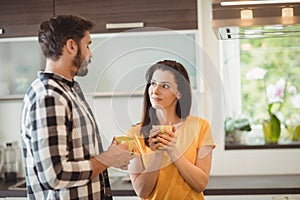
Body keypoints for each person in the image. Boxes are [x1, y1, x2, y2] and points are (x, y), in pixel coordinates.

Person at [20, 15, 134, 200]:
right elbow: (55, 175)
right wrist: (107, 159)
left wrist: (111, 156)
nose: (91, 53)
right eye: (88, 45)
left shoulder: (68, 90)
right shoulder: (49, 96)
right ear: (71, 46)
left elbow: (78, 156)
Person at [126, 60, 215, 199]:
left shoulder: (201, 127)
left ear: (179, 93)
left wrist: (173, 150)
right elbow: (141, 191)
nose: (155, 91)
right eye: (153, 83)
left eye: (165, 86)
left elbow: (200, 184)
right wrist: (158, 154)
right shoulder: (133, 134)